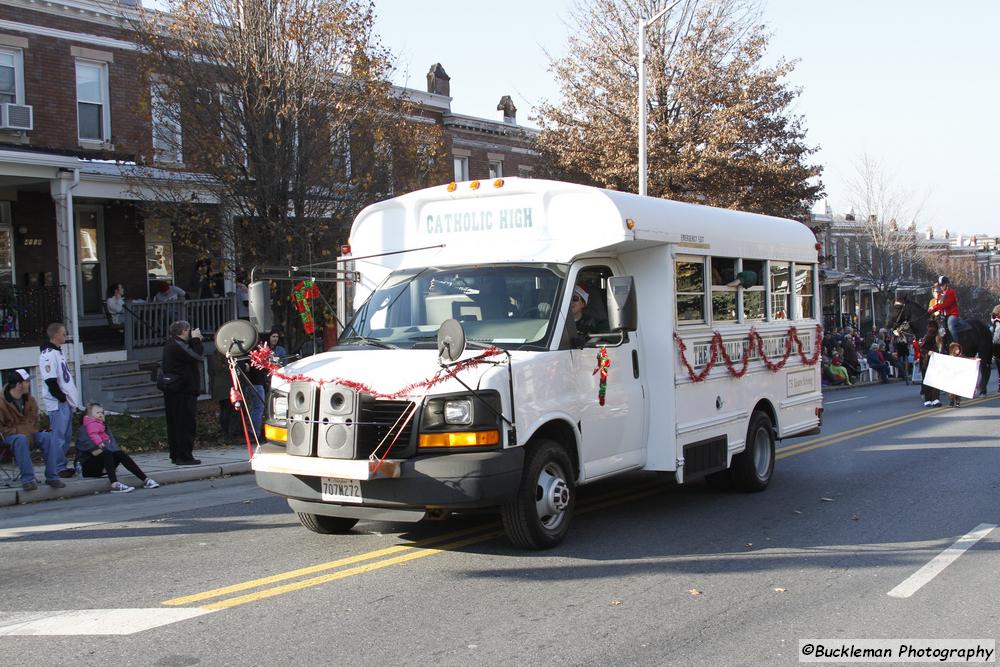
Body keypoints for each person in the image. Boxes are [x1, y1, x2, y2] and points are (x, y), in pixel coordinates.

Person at [0, 369, 65, 491]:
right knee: (20, 439)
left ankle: (52, 477)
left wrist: (31, 430)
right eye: (27, 381)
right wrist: (20, 431)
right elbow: (1, 429)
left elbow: (35, 421)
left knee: (46, 437)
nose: (29, 384)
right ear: (19, 385)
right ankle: (28, 480)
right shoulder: (1, 402)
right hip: (9, 437)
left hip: (29, 433)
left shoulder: (30, 400)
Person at [76, 402, 159, 493]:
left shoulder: (104, 428)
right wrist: (108, 453)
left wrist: (110, 459)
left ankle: (145, 479)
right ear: (88, 416)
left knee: (119, 453)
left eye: (102, 413)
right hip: (87, 467)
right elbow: (95, 452)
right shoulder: (85, 430)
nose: (100, 415)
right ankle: (114, 484)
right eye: (97, 413)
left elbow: (114, 447)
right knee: (107, 452)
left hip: (104, 463)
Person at [161, 320, 204, 465]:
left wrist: (193, 341)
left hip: (175, 389)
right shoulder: (177, 345)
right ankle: (184, 456)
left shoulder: (172, 344)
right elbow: (196, 356)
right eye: (189, 330)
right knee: (184, 423)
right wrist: (197, 340)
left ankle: (176, 454)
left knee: (175, 423)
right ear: (184, 331)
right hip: (183, 390)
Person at [39, 322, 78, 477]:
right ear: (55, 335)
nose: (65, 335)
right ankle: (57, 467)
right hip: (57, 402)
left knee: (66, 436)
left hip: (65, 401)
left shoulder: (58, 352)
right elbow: (50, 379)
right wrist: (60, 397)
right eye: (63, 333)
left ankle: (61, 464)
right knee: (58, 436)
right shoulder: (48, 354)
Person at [929, 276, 961, 343]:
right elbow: (938, 304)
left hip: (952, 315)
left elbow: (944, 305)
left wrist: (933, 308)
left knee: (950, 325)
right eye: (940, 285)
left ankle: (957, 343)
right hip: (943, 315)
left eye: (942, 285)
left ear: (947, 284)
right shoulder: (941, 294)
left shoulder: (951, 292)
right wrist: (931, 311)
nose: (941, 287)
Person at [920, 319, 943, 407]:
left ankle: (935, 398)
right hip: (927, 361)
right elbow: (922, 348)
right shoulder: (929, 336)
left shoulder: (938, 337)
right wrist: (928, 352)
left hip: (936, 361)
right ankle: (928, 399)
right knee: (928, 380)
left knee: (935, 380)